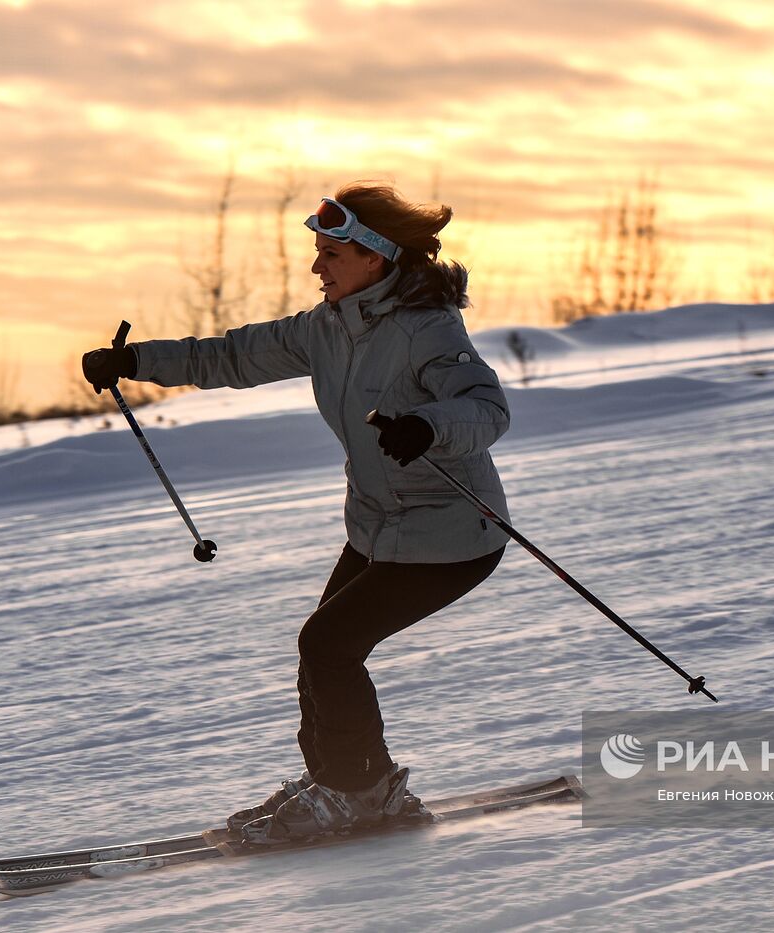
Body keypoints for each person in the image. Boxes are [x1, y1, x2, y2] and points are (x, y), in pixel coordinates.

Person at [83, 183, 511, 841]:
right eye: (318, 252)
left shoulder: (428, 327)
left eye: (331, 253)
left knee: (329, 645)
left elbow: (485, 406)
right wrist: (136, 360)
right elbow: (233, 354)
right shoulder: (328, 326)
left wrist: (427, 425)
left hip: (449, 533)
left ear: (375, 258)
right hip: (377, 526)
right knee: (323, 646)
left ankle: (357, 789)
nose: (317, 267)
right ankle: (347, 780)